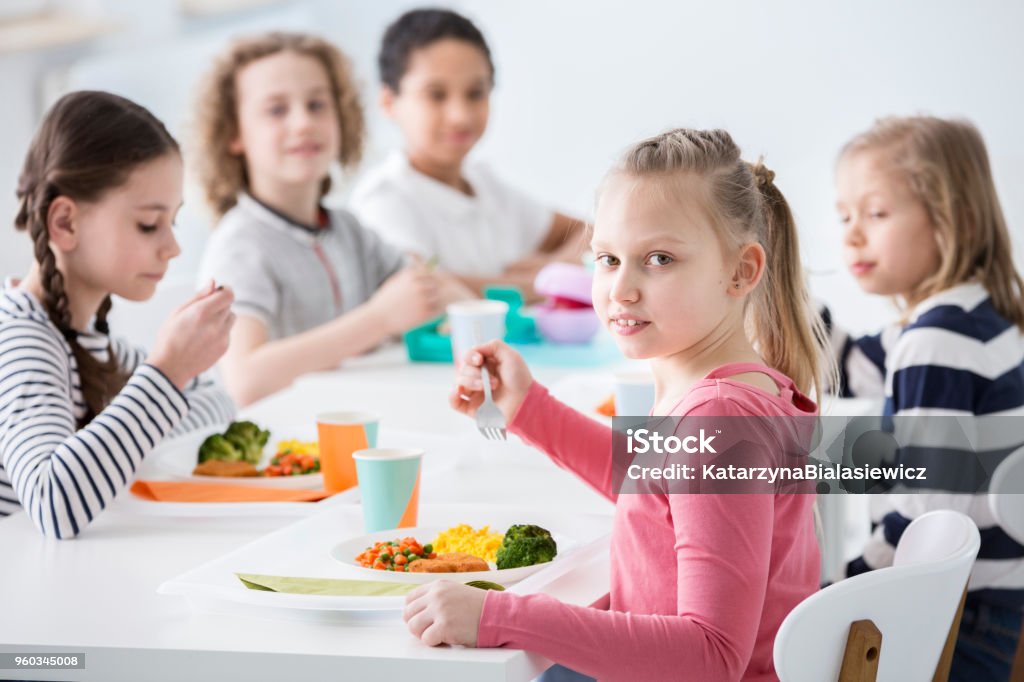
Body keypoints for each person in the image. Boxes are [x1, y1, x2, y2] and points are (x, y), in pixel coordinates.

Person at [403, 129, 833, 681]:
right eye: (607, 259)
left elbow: (712, 654)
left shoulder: (722, 419)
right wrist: (526, 407)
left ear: (741, 271)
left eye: (658, 258)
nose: (621, 290)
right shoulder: (743, 391)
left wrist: (498, 615)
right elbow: (657, 486)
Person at [830, 115, 1024, 681]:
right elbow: (852, 367)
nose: (851, 234)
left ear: (952, 220)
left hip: (960, 616)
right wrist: (777, 291)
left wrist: (845, 583)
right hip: (995, 603)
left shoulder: (936, 340)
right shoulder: (972, 317)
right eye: (844, 216)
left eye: (876, 213)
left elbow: (928, 513)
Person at [0, 91, 236, 538]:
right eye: (149, 224)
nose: (173, 246)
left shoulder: (87, 339)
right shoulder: (20, 339)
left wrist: (155, 397)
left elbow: (219, 405)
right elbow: (52, 502)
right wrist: (166, 373)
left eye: (174, 221)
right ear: (65, 223)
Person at [192, 32, 470, 406]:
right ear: (233, 134)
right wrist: (380, 320)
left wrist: (454, 301)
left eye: (317, 104)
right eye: (276, 110)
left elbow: (423, 284)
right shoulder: (240, 245)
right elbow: (245, 379)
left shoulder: (347, 229)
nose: (303, 122)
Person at [350, 8, 587, 298]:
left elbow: (592, 233)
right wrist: (544, 284)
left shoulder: (486, 186)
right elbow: (422, 288)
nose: (460, 116)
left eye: (475, 93)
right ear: (389, 101)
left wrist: (553, 267)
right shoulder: (383, 198)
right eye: (436, 95)